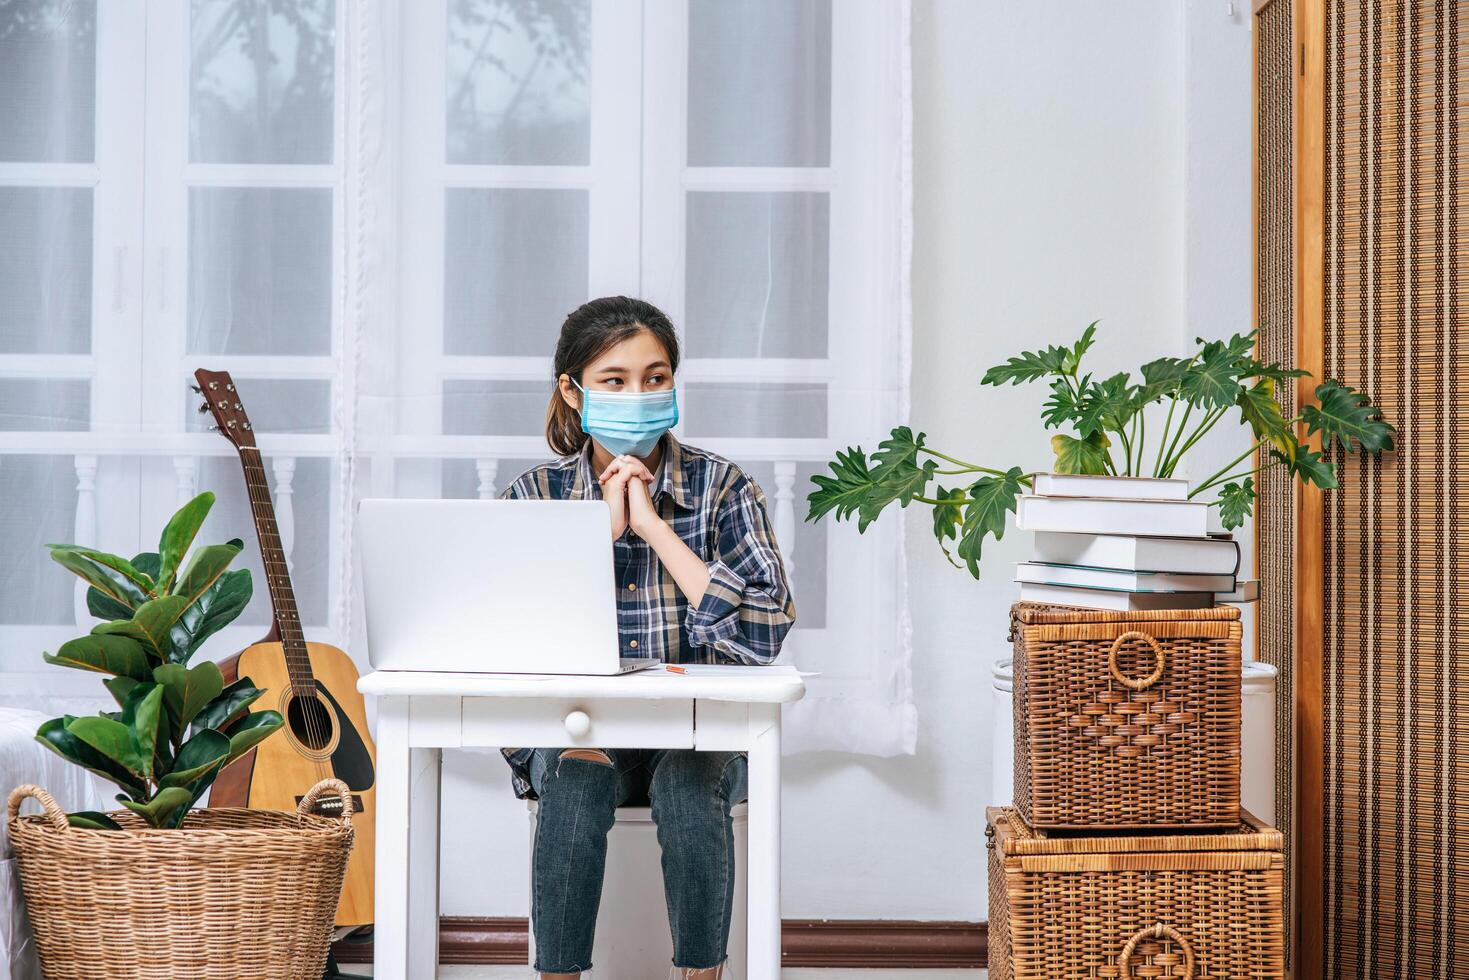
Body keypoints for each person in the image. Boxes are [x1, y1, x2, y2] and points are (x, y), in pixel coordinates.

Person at [499, 295, 797, 979]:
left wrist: (655, 527)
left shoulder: (724, 487)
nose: (638, 394)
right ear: (571, 392)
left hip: (696, 735)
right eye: (615, 380)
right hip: (577, 731)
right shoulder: (534, 495)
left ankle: (702, 975)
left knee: (689, 786)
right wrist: (600, 528)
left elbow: (764, 633)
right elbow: (511, 637)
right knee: (577, 774)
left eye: (655, 377)